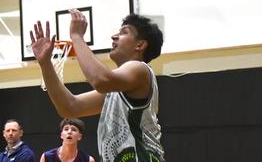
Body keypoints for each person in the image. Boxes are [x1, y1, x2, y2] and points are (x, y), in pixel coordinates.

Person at [31, 10, 165, 162]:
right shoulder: (117, 90)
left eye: (124, 32)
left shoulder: (140, 69)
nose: (114, 36)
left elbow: (100, 80)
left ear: (140, 44)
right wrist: (45, 63)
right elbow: (69, 107)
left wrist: (77, 37)